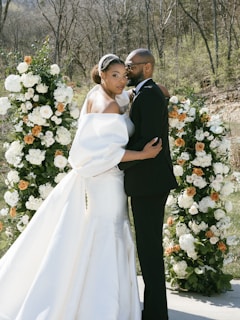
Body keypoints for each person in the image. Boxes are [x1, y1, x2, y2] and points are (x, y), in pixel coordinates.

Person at [0, 54, 162, 320]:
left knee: (97, 232)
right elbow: (104, 154)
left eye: (124, 75)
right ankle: (102, 308)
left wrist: (146, 92)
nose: (122, 81)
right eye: (115, 75)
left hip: (98, 181)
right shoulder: (108, 105)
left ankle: (85, 296)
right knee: (108, 233)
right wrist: (141, 155)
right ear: (102, 74)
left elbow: (119, 106)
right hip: (106, 179)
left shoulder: (95, 95)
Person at [119, 48, 178, 320]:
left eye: (131, 66)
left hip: (150, 184)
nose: (128, 70)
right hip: (146, 183)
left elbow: (150, 141)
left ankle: (156, 314)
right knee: (148, 247)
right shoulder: (146, 92)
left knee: (150, 248)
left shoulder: (150, 95)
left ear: (148, 67)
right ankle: (154, 310)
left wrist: (116, 159)